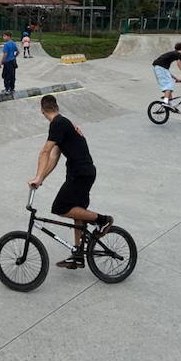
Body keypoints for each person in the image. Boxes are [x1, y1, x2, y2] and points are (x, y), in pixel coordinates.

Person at [28, 95, 113, 270]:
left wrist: (36, 177)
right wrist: (42, 179)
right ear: (57, 106)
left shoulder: (58, 124)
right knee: (77, 214)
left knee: (60, 207)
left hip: (80, 174)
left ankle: (102, 220)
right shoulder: (64, 124)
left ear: (42, 110)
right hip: (83, 173)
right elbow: (54, 157)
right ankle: (78, 255)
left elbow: (45, 152)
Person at [152, 41, 181, 110]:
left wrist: (176, 78)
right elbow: (179, 64)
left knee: (169, 87)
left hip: (160, 68)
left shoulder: (171, 55)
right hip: (160, 68)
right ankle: (165, 102)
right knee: (169, 86)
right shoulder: (177, 54)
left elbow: (166, 72)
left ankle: (169, 105)